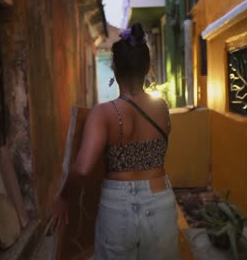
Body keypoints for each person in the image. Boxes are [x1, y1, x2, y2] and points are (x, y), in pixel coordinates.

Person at [52, 22, 179, 260]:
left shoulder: (103, 114)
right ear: (147, 67)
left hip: (118, 206)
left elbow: (82, 169)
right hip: (160, 198)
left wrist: (64, 197)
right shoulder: (162, 108)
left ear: (114, 68)